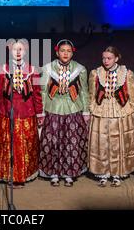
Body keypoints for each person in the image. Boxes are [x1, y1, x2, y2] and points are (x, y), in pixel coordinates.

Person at [0, 40, 44, 188]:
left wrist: (39, 114)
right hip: (7, 112)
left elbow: (37, 94)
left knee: (25, 145)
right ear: (10, 52)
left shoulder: (34, 70)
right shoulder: (2, 70)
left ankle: (22, 175)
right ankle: (8, 174)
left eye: (21, 49)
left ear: (25, 52)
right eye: (15, 50)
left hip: (27, 113)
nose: (18, 52)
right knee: (8, 145)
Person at [39, 39, 89, 187]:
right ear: (57, 52)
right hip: (53, 108)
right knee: (53, 141)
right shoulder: (48, 68)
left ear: (72, 52)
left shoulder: (80, 69)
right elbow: (42, 91)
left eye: (68, 51)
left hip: (73, 108)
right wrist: (41, 112)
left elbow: (84, 92)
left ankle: (69, 172)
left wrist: (86, 111)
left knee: (71, 141)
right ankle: (53, 172)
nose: (65, 54)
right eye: (62, 51)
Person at [88, 46, 134, 187]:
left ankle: (117, 173)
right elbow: (92, 94)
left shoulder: (126, 73)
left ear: (116, 58)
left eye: (109, 58)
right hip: (101, 110)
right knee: (102, 143)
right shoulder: (96, 73)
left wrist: (132, 110)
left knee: (117, 143)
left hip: (119, 110)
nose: (106, 61)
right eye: (103, 58)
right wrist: (92, 109)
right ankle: (103, 173)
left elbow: (132, 94)